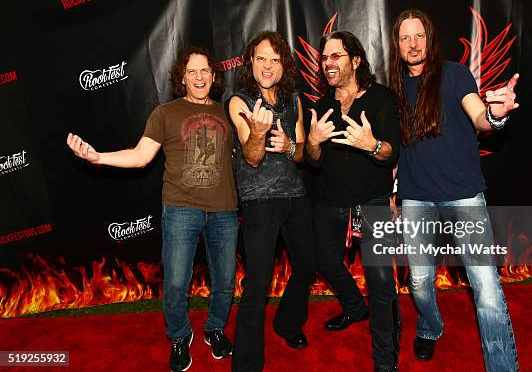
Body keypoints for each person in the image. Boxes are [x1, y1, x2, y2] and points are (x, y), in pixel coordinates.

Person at [67, 46, 238, 371]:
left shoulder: (227, 113)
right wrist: (98, 157)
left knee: (226, 281)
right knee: (175, 282)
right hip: (180, 210)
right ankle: (178, 336)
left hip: (224, 211)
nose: (199, 77)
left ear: (214, 76)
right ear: (182, 78)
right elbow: (141, 156)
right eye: (192, 71)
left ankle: (214, 328)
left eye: (205, 71)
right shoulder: (165, 113)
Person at [388, 8, 520, 372]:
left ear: (429, 38)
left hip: (463, 194)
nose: (413, 44)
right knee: (418, 281)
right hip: (415, 197)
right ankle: (430, 326)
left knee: (487, 288)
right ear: (396, 46)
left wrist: (496, 115)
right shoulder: (395, 88)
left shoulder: (455, 74)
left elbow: (479, 116)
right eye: (405, 38)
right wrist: (394, 188)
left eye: (419, 36)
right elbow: (400, 146)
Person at [305, 31, 401, 372]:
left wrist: (371, 145)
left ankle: (385, 360)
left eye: (336, 56)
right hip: (328, 204)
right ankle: (353, 306)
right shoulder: (321, 106)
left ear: (355, 60)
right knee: (326, 262)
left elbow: (391, 153)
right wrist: (313, 142)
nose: (328, 63)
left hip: (371, 203)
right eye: (325, 58)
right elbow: (312, 160)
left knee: (380, 281)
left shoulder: (381, 99)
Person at [228, 31, 316, 372]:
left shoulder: (294, 99)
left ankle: (287, 323)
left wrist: (290, 147)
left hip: (295, 195)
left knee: (307, 265)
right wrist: (260, 134)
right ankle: (247, 365)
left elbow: (302, 154)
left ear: (283, 65)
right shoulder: (239, 102)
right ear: (251, 62)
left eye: (275, 59)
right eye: (262, 58)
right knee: (258, 283)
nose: (268, 65)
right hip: (259, 201)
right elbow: (250, 158)